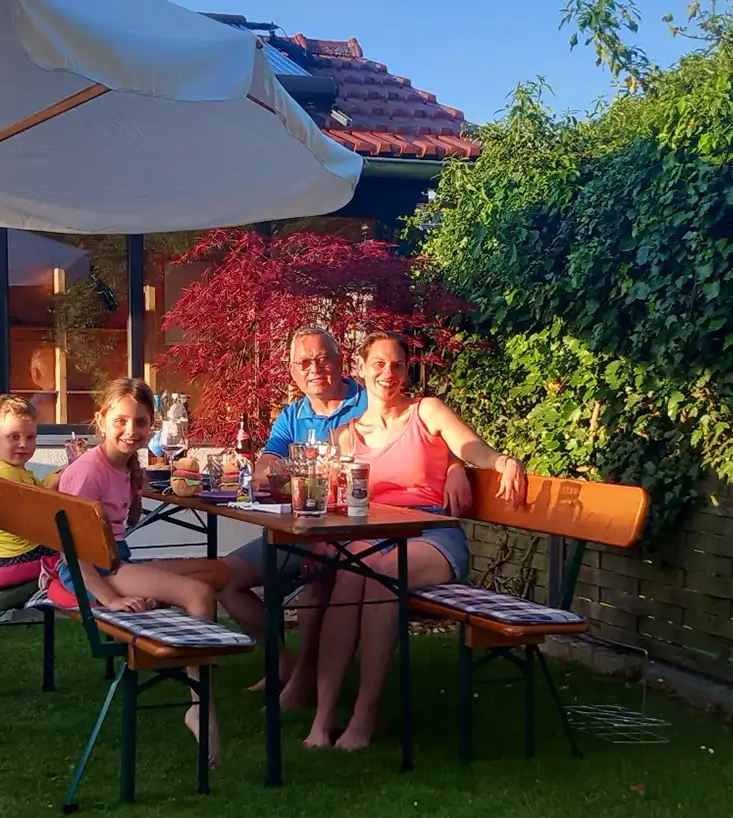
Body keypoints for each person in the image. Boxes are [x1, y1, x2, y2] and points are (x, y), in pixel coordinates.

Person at [306, 332, 526, 752]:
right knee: (352, 577)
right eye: (379, 364)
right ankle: (323, 716)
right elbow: (333, 498)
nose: (388, 373)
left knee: (382, 575)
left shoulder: (426, 412)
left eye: (397, 365)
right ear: (361, 367)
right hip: (370, 534)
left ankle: (364, 715)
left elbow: (469, 444)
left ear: (407, 370)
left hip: (431, 535)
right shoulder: (346, 437)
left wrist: (498, 461)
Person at [50, 377, 229, 763]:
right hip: (92, 568)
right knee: (200, 594)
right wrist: (111, 597)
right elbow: (69, 551)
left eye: (141, 422)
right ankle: (200, 706)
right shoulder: (87, 472)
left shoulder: (129, 468)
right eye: (121, 421)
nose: (131, 430)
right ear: (101, 420)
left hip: (116, 559)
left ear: (152, 426)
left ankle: (190, 648)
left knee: (220, 572)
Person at [218, 327, 368, 706]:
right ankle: (283, 663)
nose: (315, 368)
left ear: (339, 361)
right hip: (301, 529)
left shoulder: (367, 405)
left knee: (318, 584)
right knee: (225, 579)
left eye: (323, 359)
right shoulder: (293, 413)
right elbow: (267, 464)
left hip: (355, 534)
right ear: (292, 371)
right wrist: (292, 467)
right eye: (305, 362)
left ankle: (303, 682)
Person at [0, 394, 54, 606]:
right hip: (23, 554)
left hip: (12, 553)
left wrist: (63, 473)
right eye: (13, 437)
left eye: (30, 437)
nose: (23, 444)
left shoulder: (14, 471)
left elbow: (40, 491)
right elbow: (40, 508)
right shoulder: (6, 476)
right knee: (83, 550)